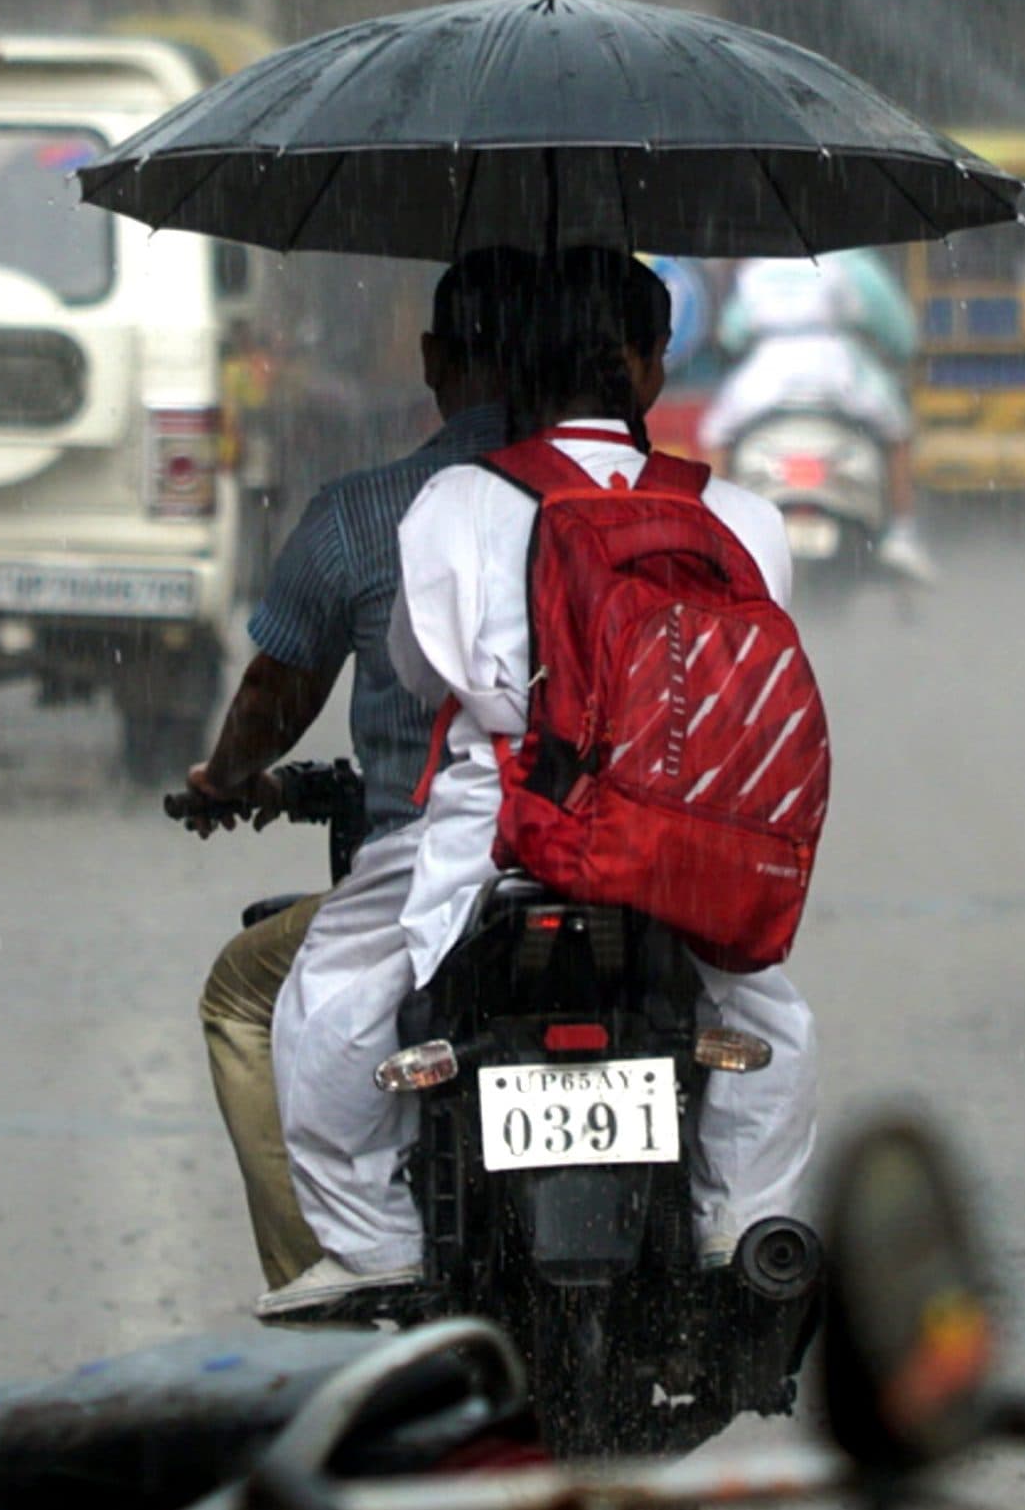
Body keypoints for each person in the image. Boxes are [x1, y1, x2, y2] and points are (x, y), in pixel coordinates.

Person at [263, 248, 818, 1314]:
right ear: (649, 364)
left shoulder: (456, 500)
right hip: (679, 850)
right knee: (770, 1022)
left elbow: (418, 670)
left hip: (497, 833)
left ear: (521, 363)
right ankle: (737, 1231)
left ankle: (375, 1246)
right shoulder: (740, 514)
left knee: (331, 994)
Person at [185, 245, 535, 1293]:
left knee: (245, 991)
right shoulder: (613, 507)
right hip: (607, 860)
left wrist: (224, 776)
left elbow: (273, 697)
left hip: (422, 864)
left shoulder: (368, 511)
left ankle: (329, 1266)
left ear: (433, 357)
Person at [697, 248, 934, 582]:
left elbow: (732, 334)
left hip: (766, 373)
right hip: (839, 370)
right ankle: (901, 533)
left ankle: (715, 531)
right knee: (897, 432)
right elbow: (900, 333)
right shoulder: (854, 264)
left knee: (716, 434)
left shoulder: (760, 266)